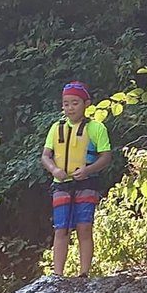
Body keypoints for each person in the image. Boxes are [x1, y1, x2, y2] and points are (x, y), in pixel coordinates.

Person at [40, 81, 113, 277]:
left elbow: (106, 156)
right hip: (61, 185)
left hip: (87, 183)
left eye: (75, 103)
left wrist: (88, 170)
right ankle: (57, 274)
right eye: (66, 103)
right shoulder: (56, 128)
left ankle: (84, 273)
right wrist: (54, 170)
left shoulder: (96, 128)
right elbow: (45, 155)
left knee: (84, 227)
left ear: (86, 103)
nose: (70, 108)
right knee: (61, 228)